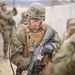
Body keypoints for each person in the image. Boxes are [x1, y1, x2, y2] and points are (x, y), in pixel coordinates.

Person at [10, 2, 61, 75]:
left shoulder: (48, 30)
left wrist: (51, 47)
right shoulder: (20, 33)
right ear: (28, 17)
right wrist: (29, 63)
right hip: (26, 70)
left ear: (42, 19)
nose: (35, 22)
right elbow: (14, 56)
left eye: (38, 19)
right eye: (33, 19)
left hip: (45, 70)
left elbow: (59, 44)